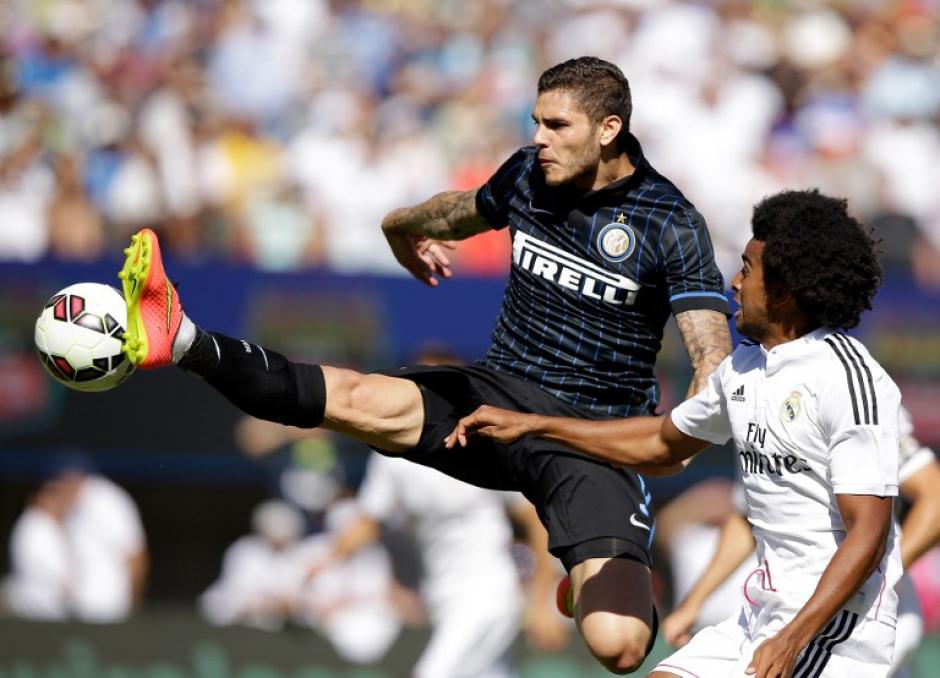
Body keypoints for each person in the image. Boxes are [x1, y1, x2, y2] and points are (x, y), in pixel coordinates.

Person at [117, 56, 732, 673]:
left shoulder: (669, 222)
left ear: (608, 129)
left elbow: (711, 356)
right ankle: (184, 338)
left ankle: (585, 569)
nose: (539, 138)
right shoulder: (529, 174)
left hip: (589, 437)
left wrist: (682, 436)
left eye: (556, 125)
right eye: (536, 122)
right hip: (495, 398)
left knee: (620, 646)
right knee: (352, 397)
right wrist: (398, 226)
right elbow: (455, 211)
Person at [446, 189, 903, 677]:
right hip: (758, 620)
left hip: (832, 630)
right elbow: (662, 443)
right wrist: (536, 426)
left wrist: (792, 638)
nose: (734, 282)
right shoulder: (744, 368)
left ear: (783, 291)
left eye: (747, 270)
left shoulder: (847, 379)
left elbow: (869, 531)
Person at [659, 405, 940, 678]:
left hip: (863, 619)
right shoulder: (752, 402)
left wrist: (876, 575)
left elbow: (934, 497)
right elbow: (749, 516)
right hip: (780, 609)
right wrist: (693, 603)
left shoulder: (857, 399)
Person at [6, 458, 148, 622]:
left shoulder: (105, 500)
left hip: (103, 609)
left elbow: (136, 556)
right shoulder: (37, 524)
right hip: (54, 614)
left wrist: (133, 603)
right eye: (52, 490)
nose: (58, 494)